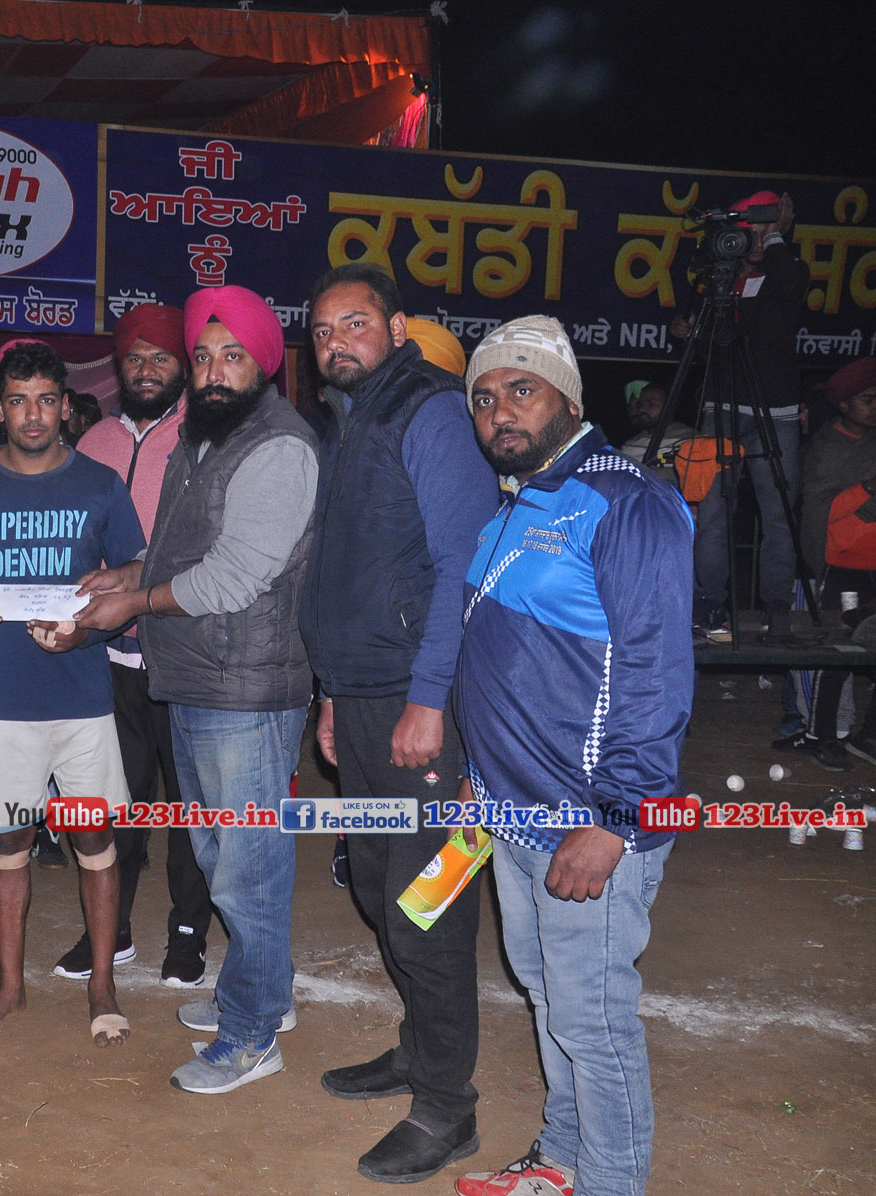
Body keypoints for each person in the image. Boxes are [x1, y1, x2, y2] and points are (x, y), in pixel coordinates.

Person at [452, 315, 692, 1196]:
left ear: (569, 399)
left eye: (522, 389)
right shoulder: (519, 502)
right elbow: (506, 662)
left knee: (593, 1022)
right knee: (549, 999)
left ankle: (611, 1184)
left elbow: (655, 673)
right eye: (484, 398)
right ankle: (561, 1160)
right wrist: (480, 780)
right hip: (512, 815)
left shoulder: (627, 503)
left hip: (585, 822)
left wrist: (617, 820)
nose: (500, 411)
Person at [74, 285, 320, 1095]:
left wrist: (137, 602)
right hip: (195, 677)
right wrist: (127, 573)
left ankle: (250, 1036)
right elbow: (181, 548)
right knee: (220, 856)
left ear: (265, 363)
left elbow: (235, 576)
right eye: (204, 356)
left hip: (244, 688)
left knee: (247, 867)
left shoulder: (277, 448)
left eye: (232, 356)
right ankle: (264, 993)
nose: (214, 371)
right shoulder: (205, 437)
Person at [298, 263, 498, 1183]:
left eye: (354, 323)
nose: (335, 341)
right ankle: (421, 1052)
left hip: (425, 707)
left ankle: (448, 1107)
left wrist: (427, 699)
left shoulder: (430, 410)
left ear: (398, 327)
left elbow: (462, 566)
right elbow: (346, 577)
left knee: (430, 904)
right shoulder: (350, 420)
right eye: (322, 330)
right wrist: (334, 695)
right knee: (381, 887)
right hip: (365, 699)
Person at [0, 340, 144, 1048]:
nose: (34, 415)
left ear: (66, 406)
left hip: (83, 696)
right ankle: (10, 985)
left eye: (47, 400)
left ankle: (102, 985)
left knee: (93, 837)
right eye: (19, 401)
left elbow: (136, 574)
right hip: (4, 698)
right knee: (9, 839)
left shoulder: (100, 484)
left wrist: (87, 629)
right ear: (1, 408)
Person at [57, 302, 213, 989]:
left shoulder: (207, 436)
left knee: (189, 807)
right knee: (114, 800)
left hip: (185, 655)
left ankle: (188, 931)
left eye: (161, 358)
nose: (147, 370)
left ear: (183, 365)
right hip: (106, 657)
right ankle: (110, 928)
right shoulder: (92, 443)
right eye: (135, 360)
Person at [678, 190, 809, 640]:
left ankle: (778, 611)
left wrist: (774, 239)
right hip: (723, 406)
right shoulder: (724, 280)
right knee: (713, 514)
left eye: (763, 229)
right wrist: (690, 333)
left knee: (778, 516)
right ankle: (711, 606)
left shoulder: (787, 269)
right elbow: (713, 345)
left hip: (778, 412)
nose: (753, 239)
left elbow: (789, 287)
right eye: (748, 231)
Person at [773, 358, 876, 770]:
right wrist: (866, 491)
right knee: (839, 648)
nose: (875, 407)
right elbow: (821, 510)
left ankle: (868, 736)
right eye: (868, 400)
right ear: (844, 405)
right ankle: (821, 735)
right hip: (844, 569)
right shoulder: (826, 448)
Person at [618, 380, 697, 489]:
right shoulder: (632, 443)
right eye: (640, 404)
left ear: (669, 407)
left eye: (651, 404)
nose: (642, 409)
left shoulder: (688, 439)